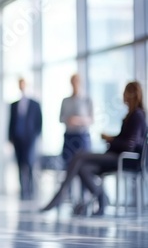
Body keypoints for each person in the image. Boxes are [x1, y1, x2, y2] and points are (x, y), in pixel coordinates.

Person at [40, 81, 146, 216]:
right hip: (116, 156)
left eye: (125, 92)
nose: (123, 95)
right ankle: (102, 197)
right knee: (82, 168)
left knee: (79, 156)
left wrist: (110, 139)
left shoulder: (138, 115)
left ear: (132, 95)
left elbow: (129, 145)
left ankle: (60, 196)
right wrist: (111, 139)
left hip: (124, 159)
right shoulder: (130, 115)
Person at [8, 78, 42, 200]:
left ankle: (32, 190)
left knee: (30, 163)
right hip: (17, 139)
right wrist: (10, 137)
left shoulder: (35, 104)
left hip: (30, 139)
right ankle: (23, 190)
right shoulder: (13, 104)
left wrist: (36, 136)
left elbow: (39, 122)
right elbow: (11, 122)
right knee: (19, 164)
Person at [60, 74, 94, 167]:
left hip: (82, 137)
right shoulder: (65, 101)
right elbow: (61, 118)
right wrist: (69, 120)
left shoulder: (87, 100)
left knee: (84, 166)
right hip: (69, 137)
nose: (75, 84)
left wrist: (78, 120)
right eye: (73, 81)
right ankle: (68, 182)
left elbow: (91, 119)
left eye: (77, 81)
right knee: (68, 165)